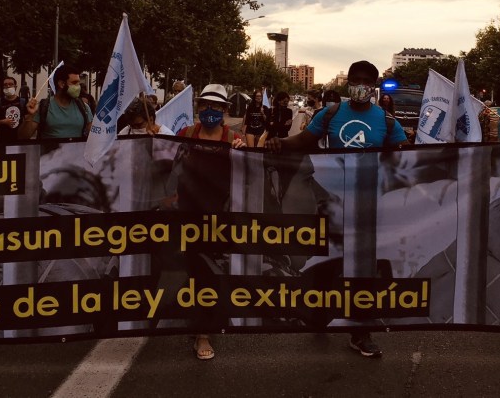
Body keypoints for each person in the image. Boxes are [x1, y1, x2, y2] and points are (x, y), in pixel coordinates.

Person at [267, 60, 408, 358]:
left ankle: (361, 332)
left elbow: (402, 158)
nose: (360, 86)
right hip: (331, 205)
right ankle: (319, 315)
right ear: (348, 83)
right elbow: (304, 140)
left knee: (363, 271)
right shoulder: (331, 114)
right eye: (355, 80)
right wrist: (281, 143)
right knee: (328, 264)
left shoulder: (387, 121)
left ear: (373, 85)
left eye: (366, 81)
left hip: (368, 207)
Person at [174, 84, 246, 360]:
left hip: (219, 216)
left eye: (216, 106)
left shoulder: (234, 138)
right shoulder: (186, 134)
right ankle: (199, 325)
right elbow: (167, 161)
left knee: (208, 272)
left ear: (225, 110)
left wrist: (242, 153)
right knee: (195, 268)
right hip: (188, 214)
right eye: (204, 105)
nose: (210, 110)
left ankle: (202, 327)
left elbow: (249, 176)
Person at [17, 65, 92, 139]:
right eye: (74, 83)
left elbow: (93, 136)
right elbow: (23, 137)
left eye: (78, 83)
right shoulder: (43, 107)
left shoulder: (84, 107)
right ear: (62, 84)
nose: (78, 87)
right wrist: (30, 116)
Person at [0, 76, 26, 143]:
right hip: (1, 139)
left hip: (19, 139)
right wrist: (2, 122)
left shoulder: (23, 102)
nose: (8, 86)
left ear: (15, 87)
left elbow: (27, 121)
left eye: (11, 84)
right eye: (5, 84)